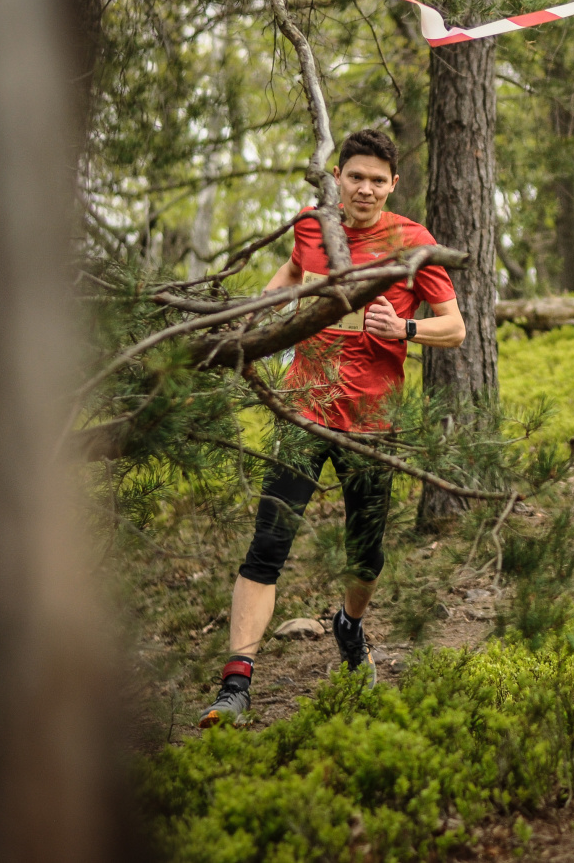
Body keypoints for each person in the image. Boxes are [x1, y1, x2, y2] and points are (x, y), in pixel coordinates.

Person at [199, 128, 465, 728]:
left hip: (372, 422)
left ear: (393, 185)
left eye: (377, 180)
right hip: (303, 409)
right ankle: (235, 685)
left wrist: (406, 330)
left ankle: (349, 625)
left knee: (364, 557)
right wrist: (258, 310)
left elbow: (456, 327)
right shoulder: (312, 225)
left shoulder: (413, 241)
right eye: (356, 177)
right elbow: (294, 271)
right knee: (267, 547)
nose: (365, 189)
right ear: (337, 177)